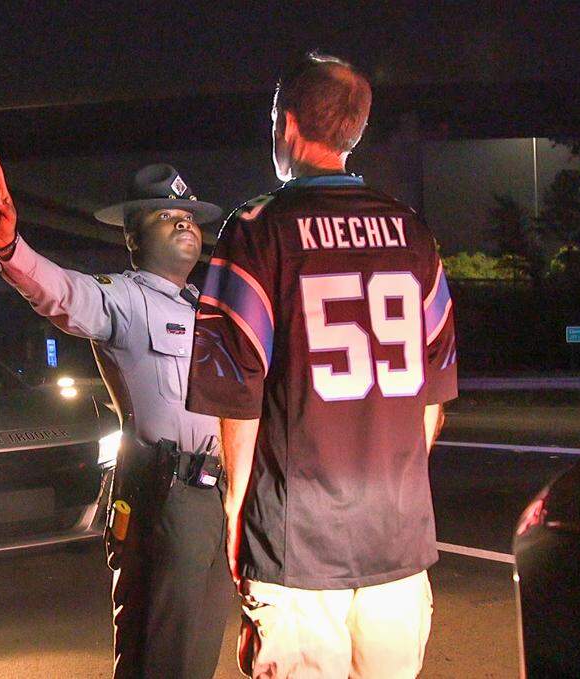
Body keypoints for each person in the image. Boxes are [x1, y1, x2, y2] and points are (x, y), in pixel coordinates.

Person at [186, 52, 458, 679]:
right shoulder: (412, 234)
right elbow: (430, 400)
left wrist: (236, 513)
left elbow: (238, 394)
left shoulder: (256, 231)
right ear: (355, 130)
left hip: (296, 542)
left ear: (287, 125)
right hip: (399, 537)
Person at [0, 157, 235, 679]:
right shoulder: (126, 299)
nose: (185, 223)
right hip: (167, 494)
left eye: (189, 216)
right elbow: (67, 294)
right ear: (134, 240)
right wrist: (11, 249)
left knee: (198, 648)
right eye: (166, 217)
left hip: (217, 495)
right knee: (162, 654)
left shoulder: (207, 307)